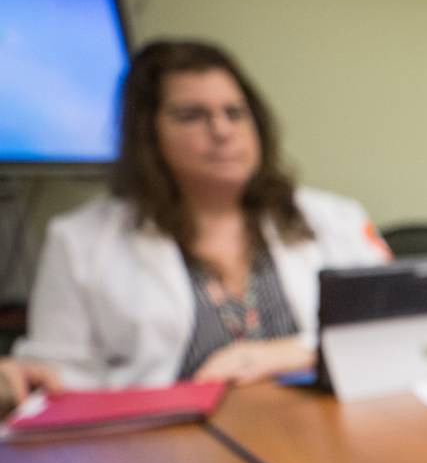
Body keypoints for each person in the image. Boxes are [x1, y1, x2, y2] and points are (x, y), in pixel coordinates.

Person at [18, 39, 388, 388]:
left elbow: (396, 332)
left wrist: (300, 352)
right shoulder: (78, 241)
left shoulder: (334, 219)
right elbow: (53, 380)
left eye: (234, 113)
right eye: (191, 115)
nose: (222, 130)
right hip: (161, 432)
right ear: (149, 134)